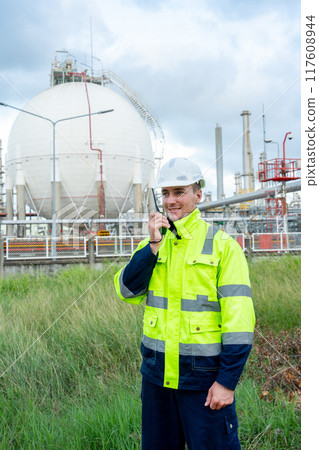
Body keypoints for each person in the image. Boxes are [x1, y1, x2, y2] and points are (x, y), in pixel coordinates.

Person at [114, 157, 255, 450]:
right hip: (157, 378)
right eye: (165, 193)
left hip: (204, 381)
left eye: (179, 192)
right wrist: (152, 248)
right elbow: (127, 291)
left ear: (198, 194)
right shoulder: (150, 245)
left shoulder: (222, 245)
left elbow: (239, 321)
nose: (171, 201)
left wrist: (227, 382)